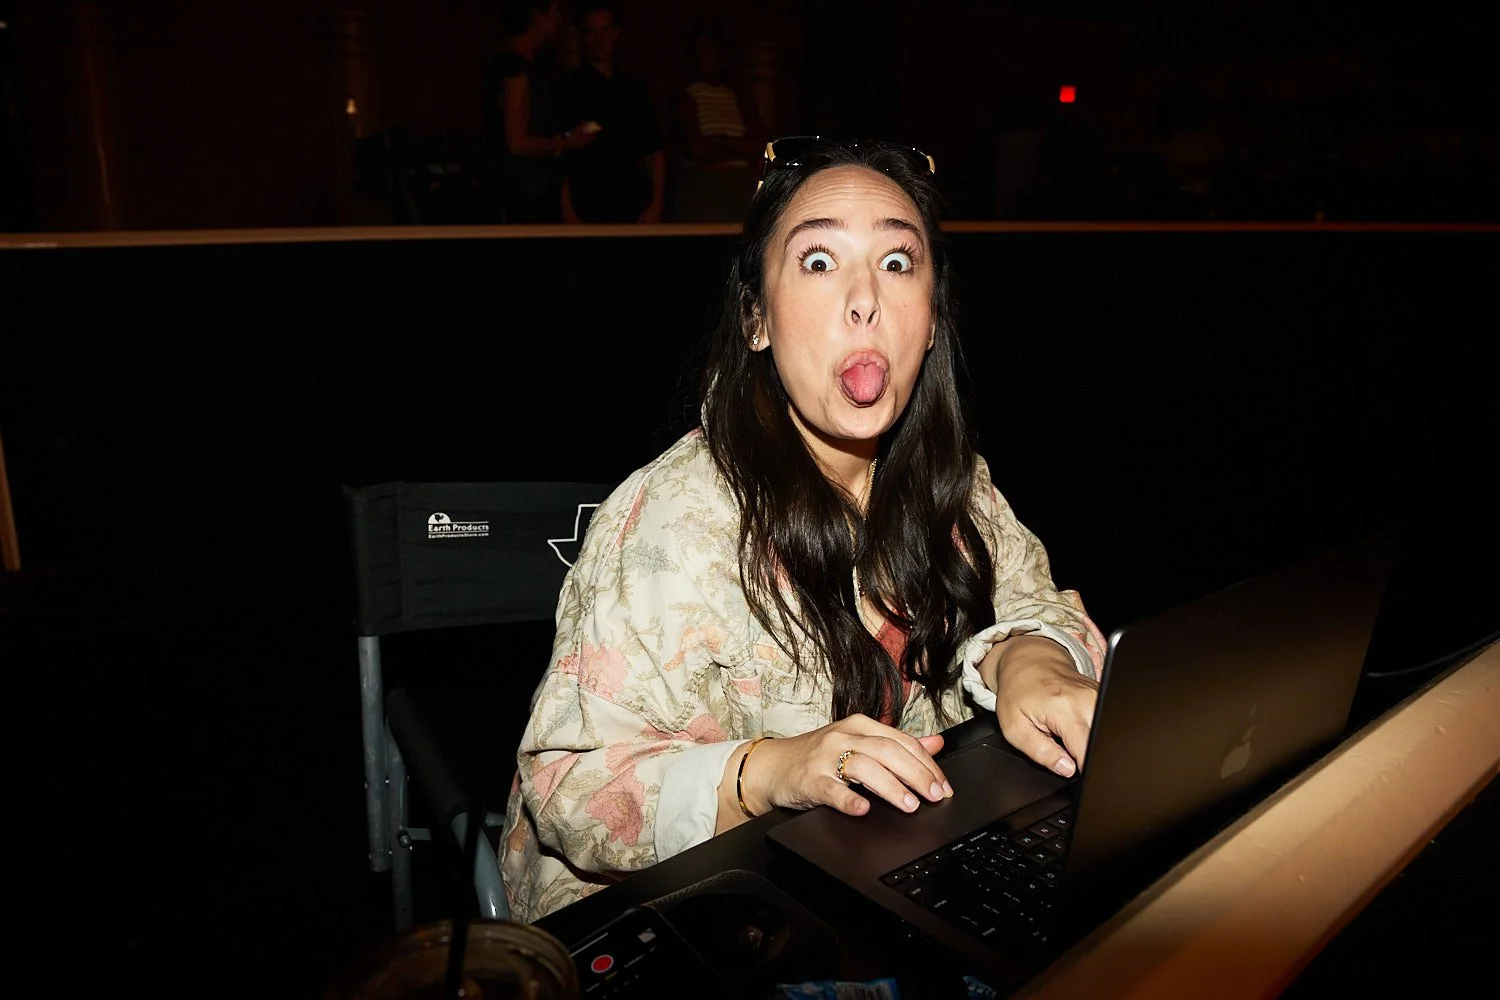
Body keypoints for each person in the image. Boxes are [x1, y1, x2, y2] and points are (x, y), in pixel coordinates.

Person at [501, 137, 1108, 922]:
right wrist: (770, 772)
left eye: (898, 263)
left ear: (930, 322)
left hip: (884, 875)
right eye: (819, 262)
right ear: (756, 318)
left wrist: (1031, 657)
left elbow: (1038, 602)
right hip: (671, 912)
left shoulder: (955, 482)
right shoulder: (668, 523)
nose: (866, 300)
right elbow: (566, 788)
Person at [483, 0, 596, 223]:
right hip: (523, 198)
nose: (559, 18)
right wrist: (566, 143)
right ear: (536, 16)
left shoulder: (530, 67)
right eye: (555, 11)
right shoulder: (514, 69)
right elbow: (517, 142)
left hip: (534, 192)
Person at [555, 2, 666, 224]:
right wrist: (568, 211)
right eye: (591, 31)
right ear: (582, 36)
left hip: (632, 206)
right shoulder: (568, 88)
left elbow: (654, 151)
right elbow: (560, 156)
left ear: (615, 33)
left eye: (604, 30)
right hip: (585, 206)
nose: (599, 39)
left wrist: (656, 205)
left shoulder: (634, 88)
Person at [670, 28, 768, 222]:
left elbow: (760, 145)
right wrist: (739, 148)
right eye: (701, 51)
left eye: (711, 51)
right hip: (704, 185)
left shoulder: (739, 99)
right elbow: (697, 150)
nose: (706, 57)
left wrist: (719, 140)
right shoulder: (687, 98)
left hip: (739, 185)